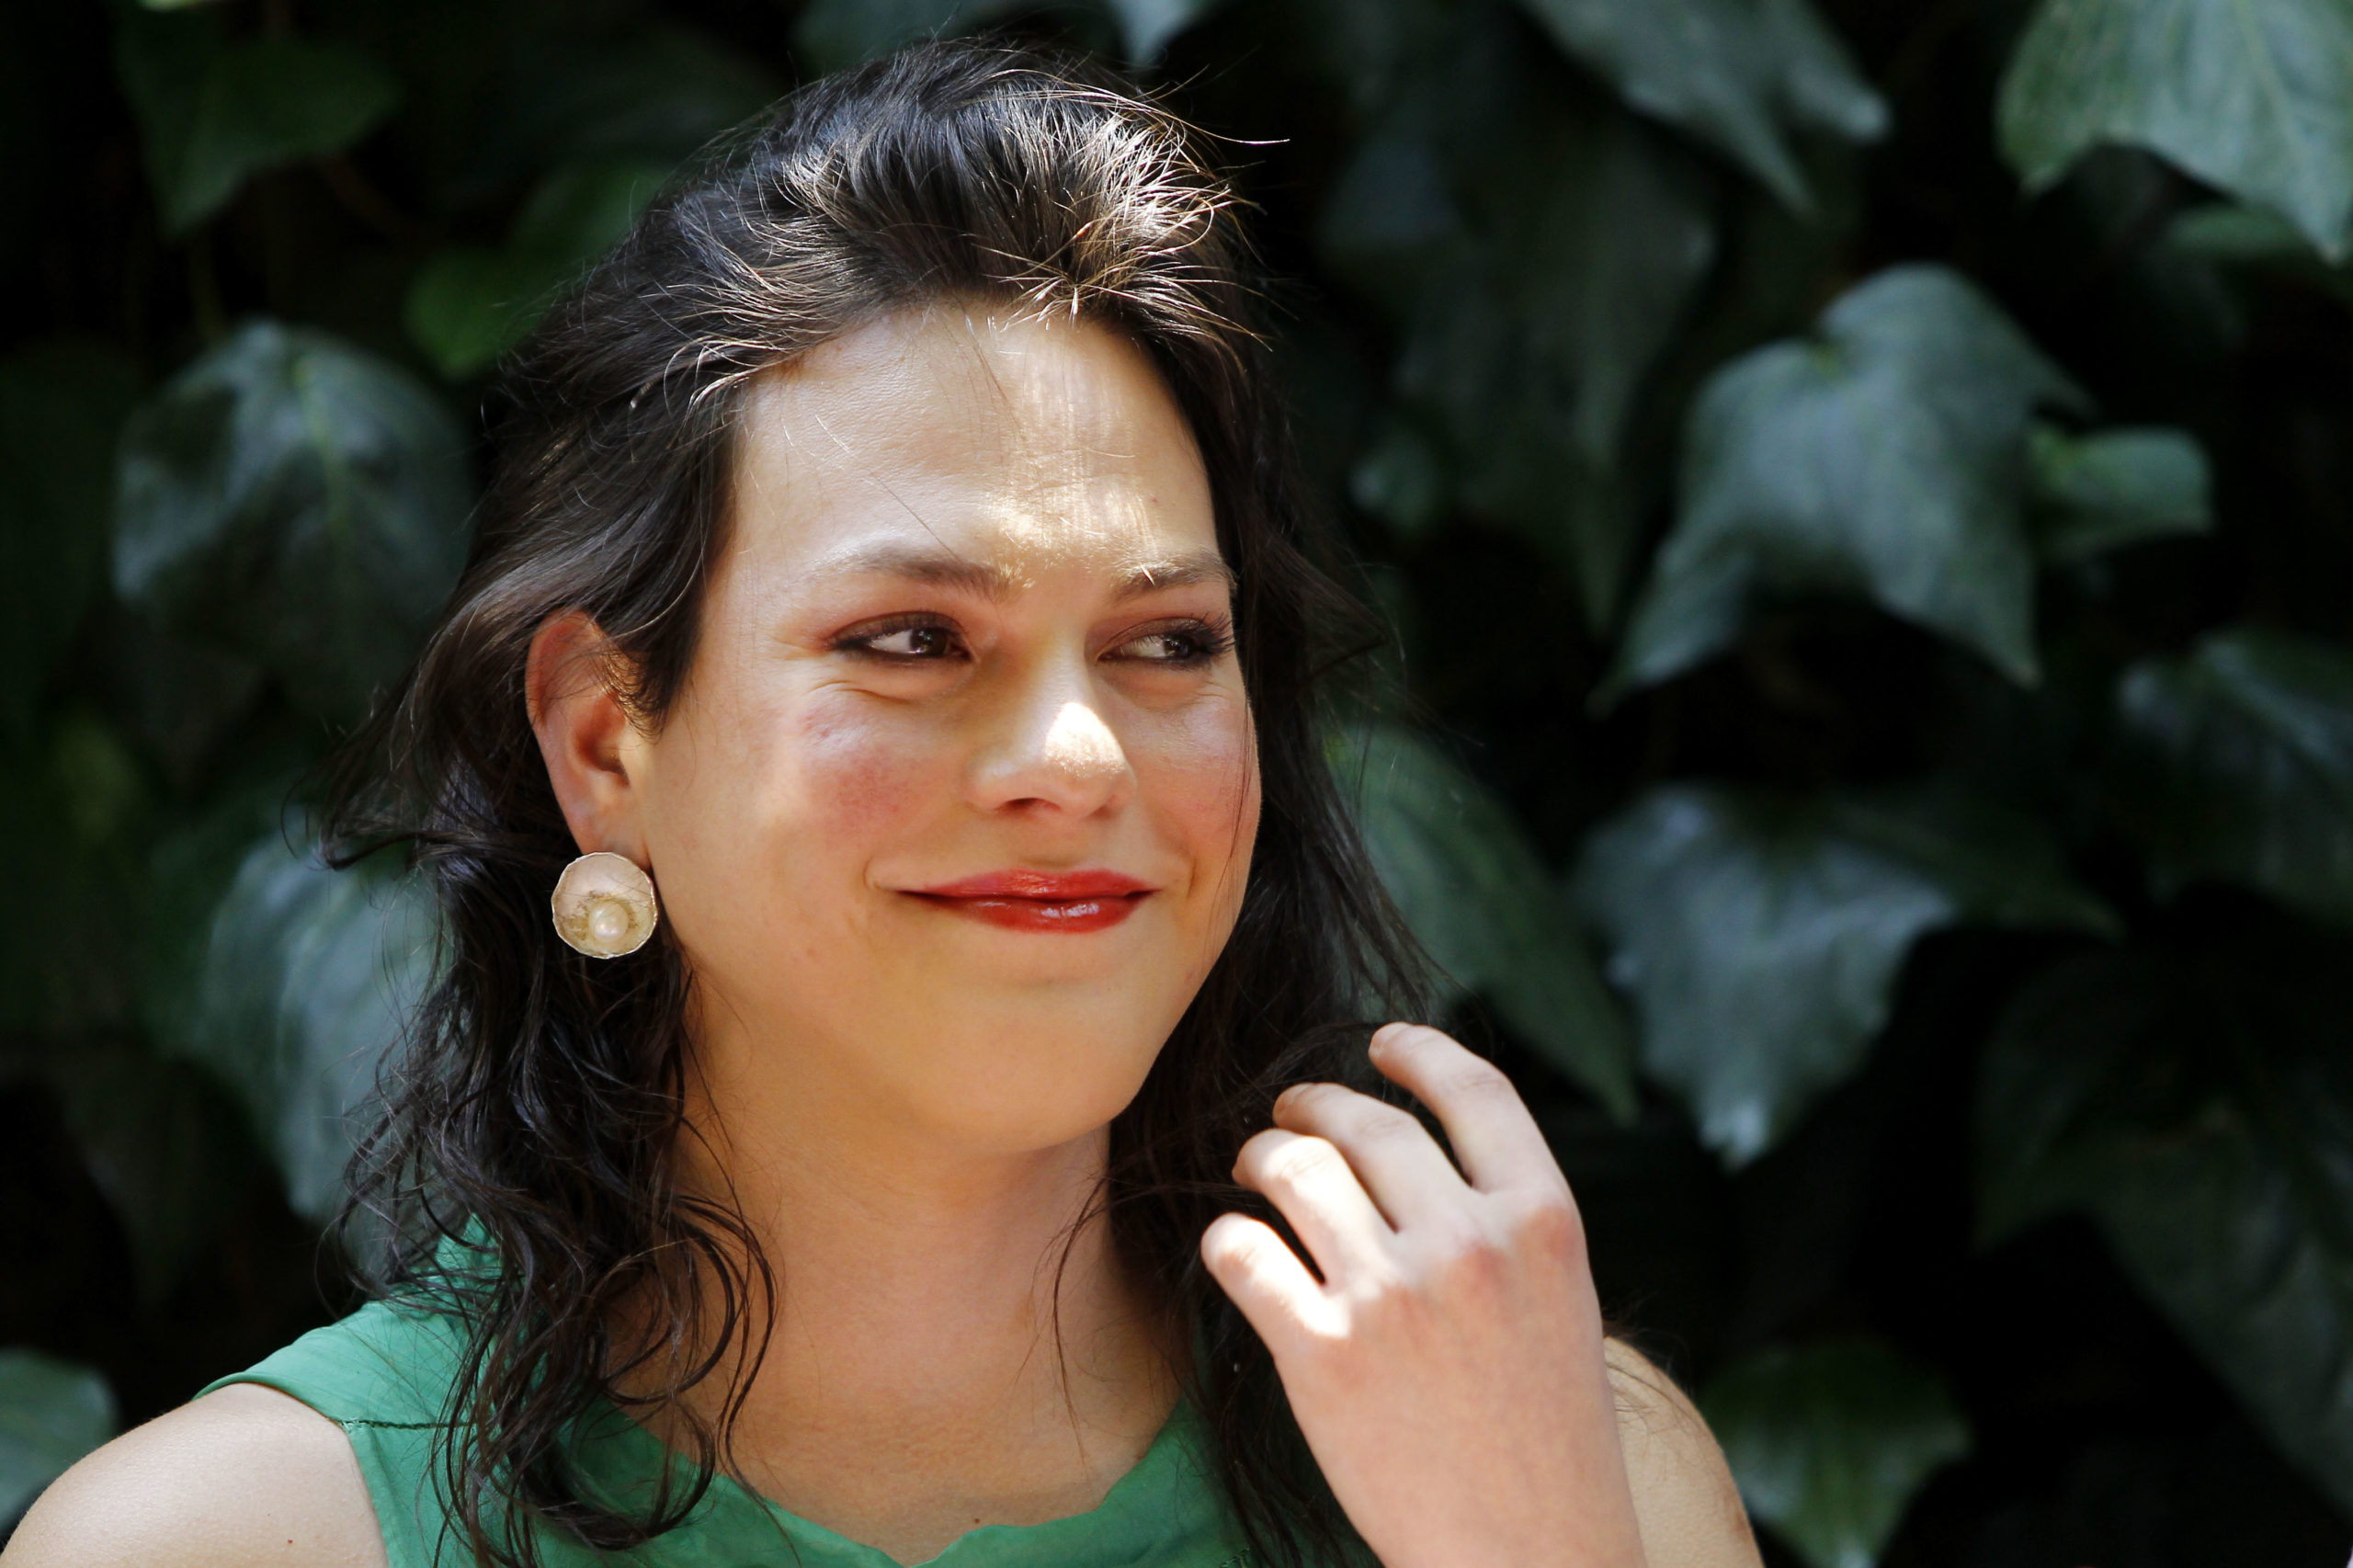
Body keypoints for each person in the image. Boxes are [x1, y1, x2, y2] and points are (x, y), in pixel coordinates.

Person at [6, 40, 1758, 1568]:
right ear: (605, 743)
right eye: (914, 639)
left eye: (1165, 641)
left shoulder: (1568, 1469)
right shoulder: (227, 1541)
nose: (1081, 757)